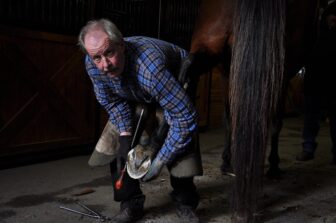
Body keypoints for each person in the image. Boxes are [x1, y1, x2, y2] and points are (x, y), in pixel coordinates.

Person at [78, 18, 203, 223]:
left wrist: (160, 159)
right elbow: (112, 102)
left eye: (109, 53)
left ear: (122, 45)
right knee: (118, 144)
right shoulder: (94, 66)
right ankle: (130, 204)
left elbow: (185, 117)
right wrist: (126, 136)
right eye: (97, 57)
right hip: (136, 92)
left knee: (181, 146)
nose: (105, 65)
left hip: (173, 85)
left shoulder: (150, 69)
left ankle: (185, 202)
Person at [296, 2, 336, 163]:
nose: (332, 21)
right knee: (311, 115)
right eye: (331, 19)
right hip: (315, 76)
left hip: (333, 79)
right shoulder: (314, 28)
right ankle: (308, 148)